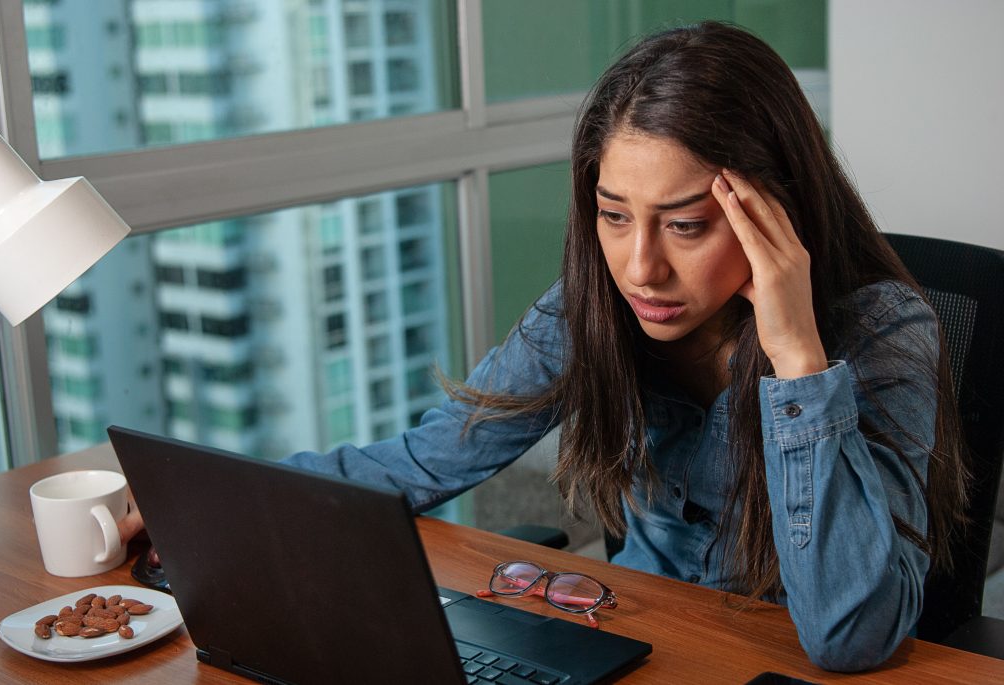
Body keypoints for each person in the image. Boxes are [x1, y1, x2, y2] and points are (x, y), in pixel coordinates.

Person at [120, 21, 968, 672]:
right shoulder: (593, 307)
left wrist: (796, 358)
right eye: (613, 214)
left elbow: (849, 633)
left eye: (685, 224)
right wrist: (205, 513)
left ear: (774, 210)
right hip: (640, 643)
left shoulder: (883, 329)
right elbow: (422, 459)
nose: (642, 266)